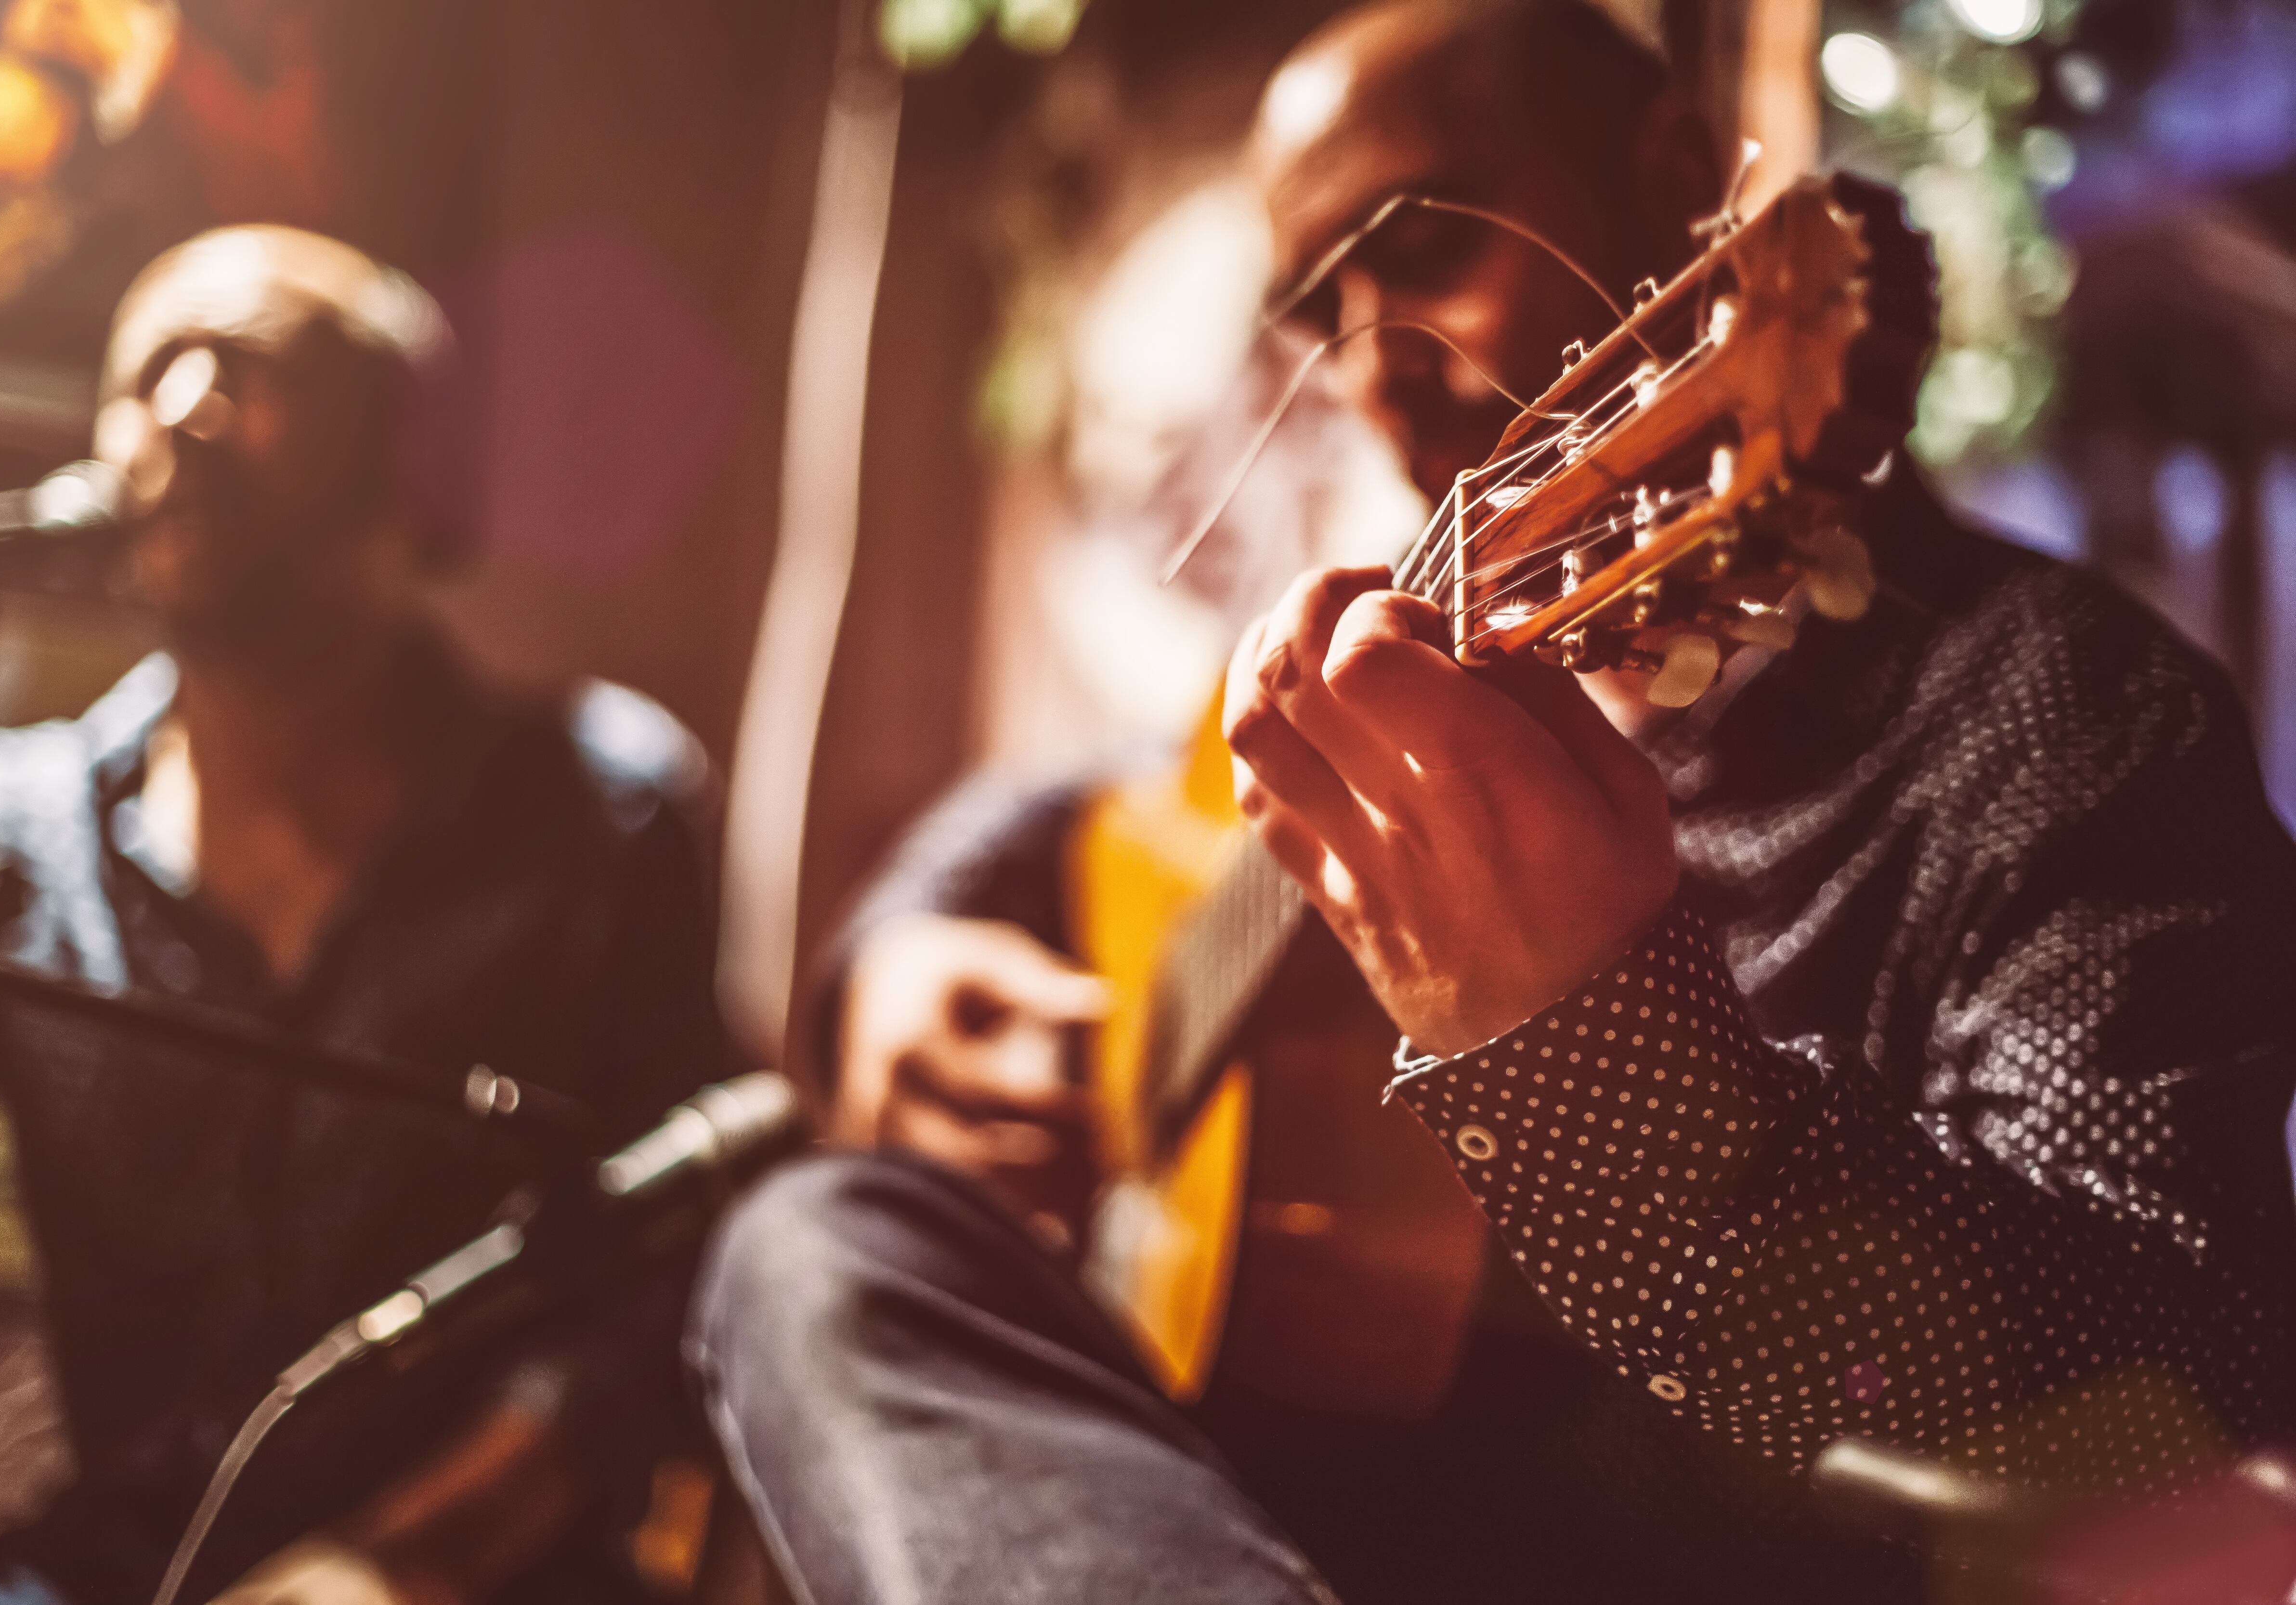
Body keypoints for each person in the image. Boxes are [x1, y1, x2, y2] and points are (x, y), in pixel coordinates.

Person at [690, 0, 2296, 1601]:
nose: (1381, 370)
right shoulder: (1413, 665)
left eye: (1425, 246)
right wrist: (900, 955)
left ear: (1675, 180)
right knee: (816, 1244)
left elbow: (2171, 1422)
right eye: (1323, 305)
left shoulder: (2061, 718)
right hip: (1270, 1538)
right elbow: (1077, 803)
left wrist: (1600, 1050)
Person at [0, 226, 736, 1605]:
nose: (181, 411)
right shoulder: (4, 828)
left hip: (484, 1575)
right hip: (114, 1570)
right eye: (149, 371)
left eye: (244, 369)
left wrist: (398, 1563)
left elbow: (678, 1264)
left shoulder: (602, 809)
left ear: (414, 470)